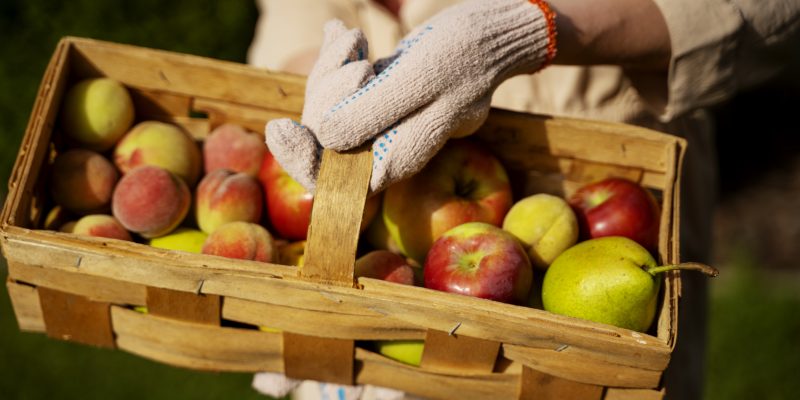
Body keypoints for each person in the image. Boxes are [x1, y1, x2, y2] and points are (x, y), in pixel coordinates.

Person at [247, 0, 800, 399]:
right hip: (389, 248)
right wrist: (325, 90)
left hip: (593, 187)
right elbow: (295, 14)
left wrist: (527, 29)